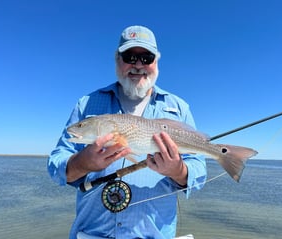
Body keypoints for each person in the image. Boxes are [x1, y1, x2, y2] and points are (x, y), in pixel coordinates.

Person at [48, 25, 207, 239]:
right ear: (117, 60)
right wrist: (81, 163)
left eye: (146, 57)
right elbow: (56, 163)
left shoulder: (179, 108)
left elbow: (199, 171)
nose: (138, 65)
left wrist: (178, 170)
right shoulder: (87, 104)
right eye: (130, 57)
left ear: (156, 62)